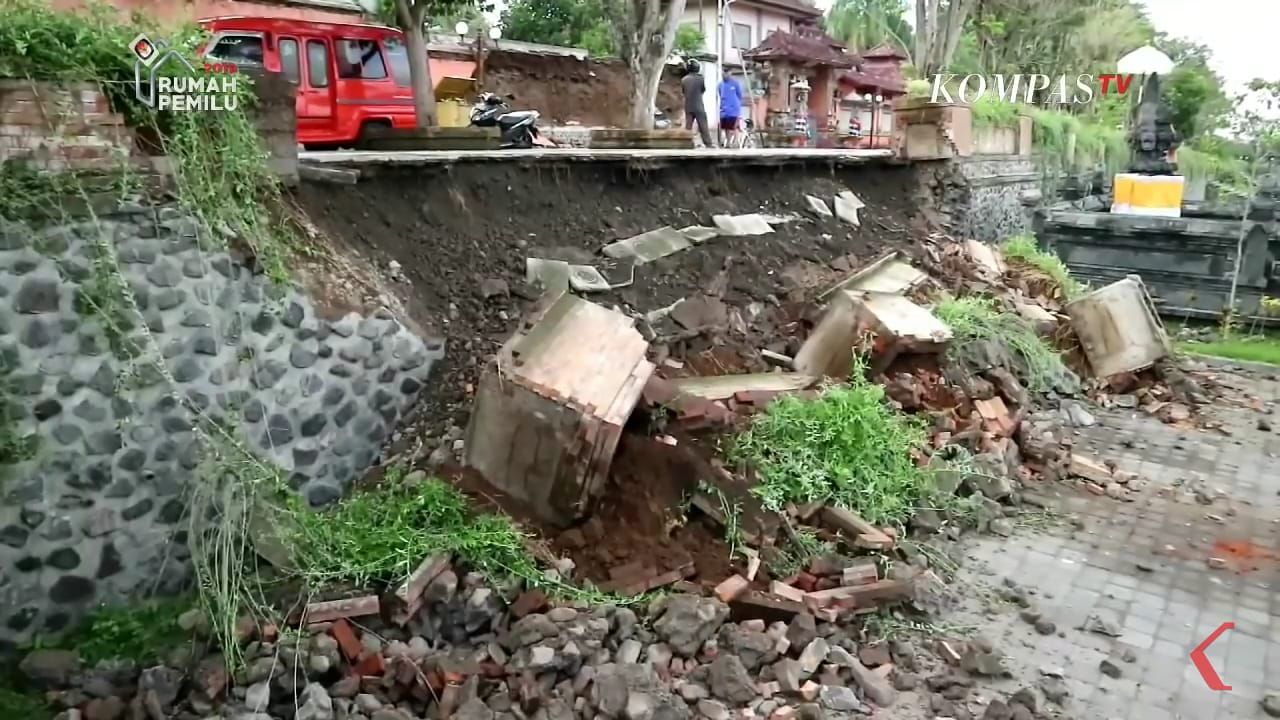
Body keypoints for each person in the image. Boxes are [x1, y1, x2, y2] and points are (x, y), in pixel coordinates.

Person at [681, 60, 713, 147]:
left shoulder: (684, 79)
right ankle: (708, 143)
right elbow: (703, 90)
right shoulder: (700, 78)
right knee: (703, 125)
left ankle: (685, 143)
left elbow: (683, 92)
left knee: (688, 126)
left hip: (688, 105)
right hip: (698, 105)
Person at [718, 69, 744, 146]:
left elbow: (739, 95)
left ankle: (736, 142)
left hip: (734, 109)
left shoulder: (735, 83)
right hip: (724, 109)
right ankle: (728, 142)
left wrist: (736, 105)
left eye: (726, 72)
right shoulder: (720, 85)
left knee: (734, 127)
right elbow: (720, 94)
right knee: (726, 127)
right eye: (723, 72)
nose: (724, 74)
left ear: (730, 73)